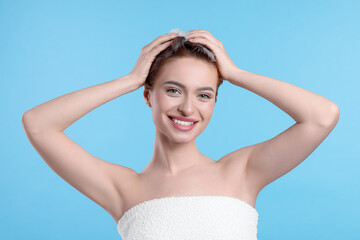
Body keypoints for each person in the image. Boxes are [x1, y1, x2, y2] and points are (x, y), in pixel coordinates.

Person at [21, 28, 340, 240]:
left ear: (215, 101)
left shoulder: (241, 172)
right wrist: (130, 80)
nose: (188, 108)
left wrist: (235, 73)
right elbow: (38, 123)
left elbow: (322, 116)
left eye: (204, 95)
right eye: (173, 90)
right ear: (148, 95)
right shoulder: (123, 188)